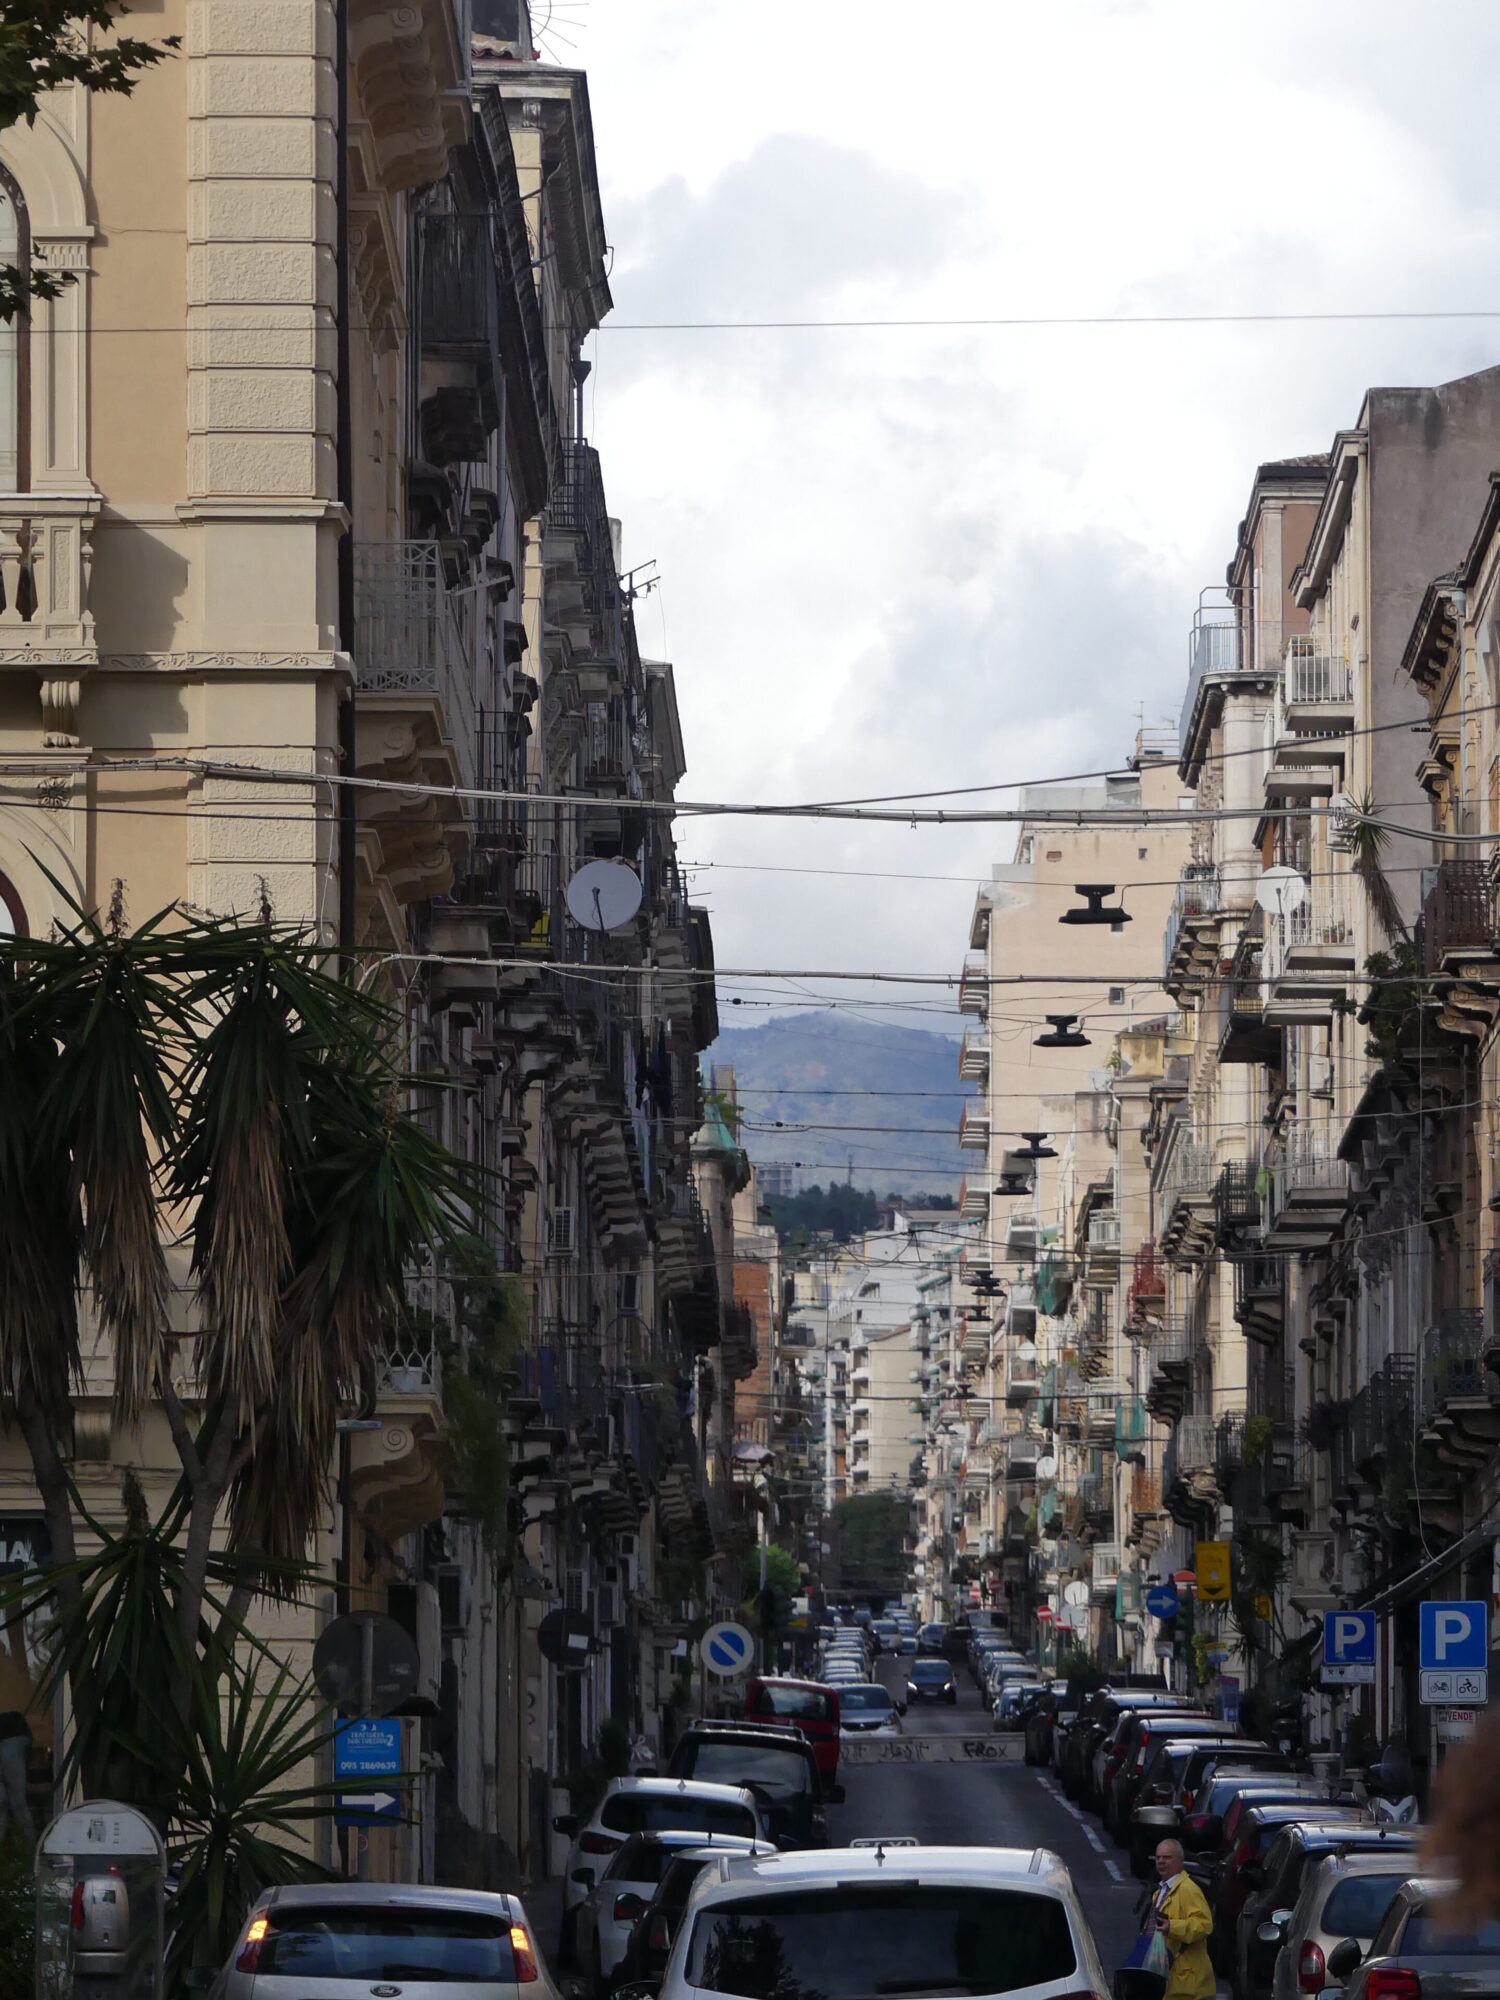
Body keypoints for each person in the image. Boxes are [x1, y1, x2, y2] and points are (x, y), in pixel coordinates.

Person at [1147, 1839, 1214, 2000]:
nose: (1161, 1862)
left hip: (1190, 1985)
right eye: (1158, 1858)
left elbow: (1204, 1925)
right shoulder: (1160, 1891)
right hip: (1173, 1980)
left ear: (1181, 1861)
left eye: (1167, 1857)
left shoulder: (1188, 1889)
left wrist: (1172, 1927)